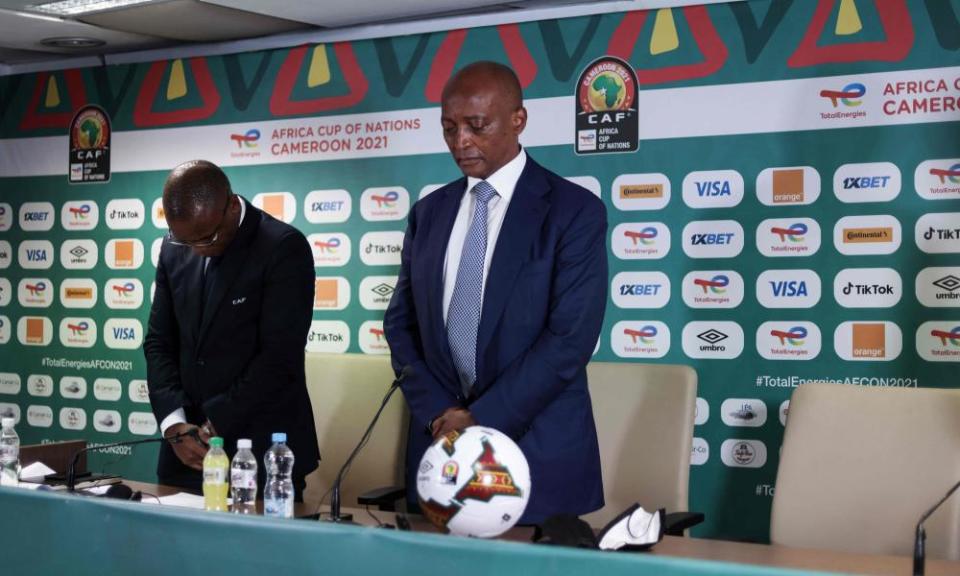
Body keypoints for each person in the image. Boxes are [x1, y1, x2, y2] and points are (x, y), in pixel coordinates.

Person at [384, 61, 607, 523]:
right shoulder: (428, 213)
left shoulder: (573, 210)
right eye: (449, 128)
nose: (460, 140)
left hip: (537, 455)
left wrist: (479, 420)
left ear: (517, 121)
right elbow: (400, 324)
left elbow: (569, 339)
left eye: (476, 126)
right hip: (441, 458)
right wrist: (439, 414)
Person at [145, 160, 320, 499]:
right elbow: (159, 342)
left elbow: (278, 356)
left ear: (229, 205)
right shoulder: (173, 248)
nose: (196, 249)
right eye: (185, 241)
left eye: (206, 238)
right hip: (185, 455)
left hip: (260, 453)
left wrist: (213, 427)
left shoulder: (283, 247)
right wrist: (175, 426)